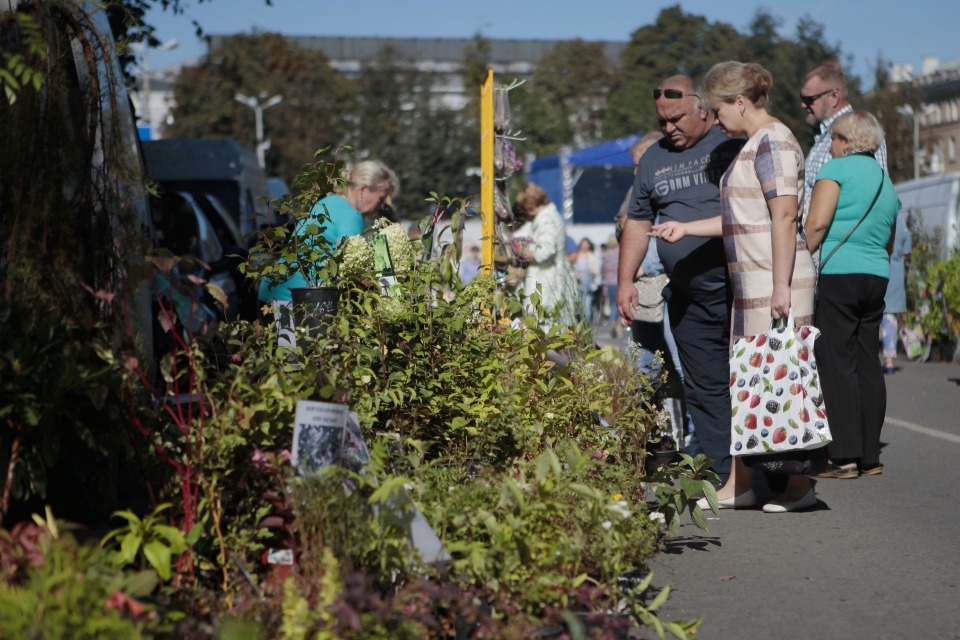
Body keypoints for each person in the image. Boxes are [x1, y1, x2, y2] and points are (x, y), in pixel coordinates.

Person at [655, 61, 819, 512]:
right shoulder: (754, 144)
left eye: (719, 108)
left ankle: (799, 486)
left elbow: (784, 216)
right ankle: (741, 483)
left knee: (783, 384)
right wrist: (685, 229)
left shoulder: (774, 142)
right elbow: (742, 219)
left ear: (740, 102)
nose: (716, 118)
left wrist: (781, 285)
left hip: (774, 282)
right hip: (753, 283)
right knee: (750, 383)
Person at [617, 74, 744, 483]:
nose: (668, 128)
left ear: (703, 111)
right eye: (662, 121)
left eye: (677, 119)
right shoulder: (654, 158)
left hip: (739, 287)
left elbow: (755, 211)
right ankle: (725, 474)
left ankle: (763, 470)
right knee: (704, 386)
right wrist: (626, 280)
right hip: (688, 295)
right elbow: (638, 220)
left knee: (747, 379)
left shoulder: (731, 145)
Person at [805, 110, 901, 479]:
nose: (830, 147)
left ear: (845, 140)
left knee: (836, 361)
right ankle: (869, 456)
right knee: (867, 361)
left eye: (832, 140)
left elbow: (817, 223)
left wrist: (797, 258)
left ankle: (842, 456)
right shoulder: (885, 181)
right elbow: (889, 241)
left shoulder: (836, 171)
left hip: (839, 272)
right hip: (876, 275)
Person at [258, 160, 399, 342]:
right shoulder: (350, 214)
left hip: (274, 292)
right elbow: (351, 263)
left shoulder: (329, 201)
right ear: (364, 190)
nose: (381, 206)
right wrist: (389, 292)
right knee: (297, 363)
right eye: (381, 198)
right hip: (293, 301)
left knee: (287, 362)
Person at [800, 63, 888, 221]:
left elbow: (876, 198)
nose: (803, 104)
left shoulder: (861, 130)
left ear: (834, 97)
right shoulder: (823, 136)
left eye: (809, 99)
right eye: (802, 98)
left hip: (837, 241)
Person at [514, 182, 581, 330]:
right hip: (552, 274)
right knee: (554, 324)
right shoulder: (548, 215)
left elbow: (545, 250)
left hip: (547, 278)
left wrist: (522, 252)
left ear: (530, 205)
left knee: (544, 326)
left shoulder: (546, 219)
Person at [881, 211, 912, 374]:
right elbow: (906, 251)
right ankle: (889, 360)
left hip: (876, 272)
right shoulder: (901, 223)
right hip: (895, 277)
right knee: (890, 319)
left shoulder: (877, 217)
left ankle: (868, 357)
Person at [573, 238, 601, 324]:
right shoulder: (576, 255)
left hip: (588, 285)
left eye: (587, 244)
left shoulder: (592, 256)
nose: (585, 245)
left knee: (587, 307)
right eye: (583, 243)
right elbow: (571, 269)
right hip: (577, 285)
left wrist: (595, 283)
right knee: (577, 307)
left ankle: (587, 327)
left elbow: (597, 271)